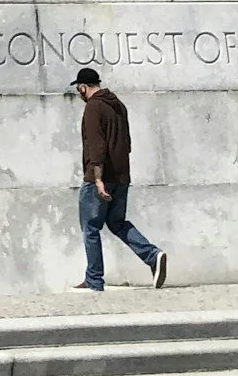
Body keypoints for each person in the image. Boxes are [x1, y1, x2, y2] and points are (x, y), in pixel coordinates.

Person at [71, 70, 168, 293]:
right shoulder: (119, 106)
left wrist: (97, 179)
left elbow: (97, 145)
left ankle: (94, 280)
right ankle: (153, 256)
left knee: (91, 227)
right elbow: (128, 143)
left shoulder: (93, 107)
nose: (79, 94)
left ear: (83, 87)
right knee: (117, 223)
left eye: (78, 90)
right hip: (122, 176)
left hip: (100, 177)